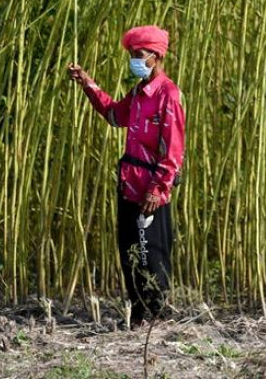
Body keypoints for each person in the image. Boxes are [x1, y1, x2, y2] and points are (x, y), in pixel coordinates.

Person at [67, 25, 186, 326]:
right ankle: (137, 316)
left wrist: (158, 188)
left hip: (150, 192)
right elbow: (113, 115)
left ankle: (155, 319)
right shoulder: (137, 93)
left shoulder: (168, 95)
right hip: (129, 187)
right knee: (130, 253)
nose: (133, 60)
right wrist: (88, 84)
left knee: (151, 256)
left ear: (156, 56)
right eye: (131, 55)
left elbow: (173, 149)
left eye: (138, 55)